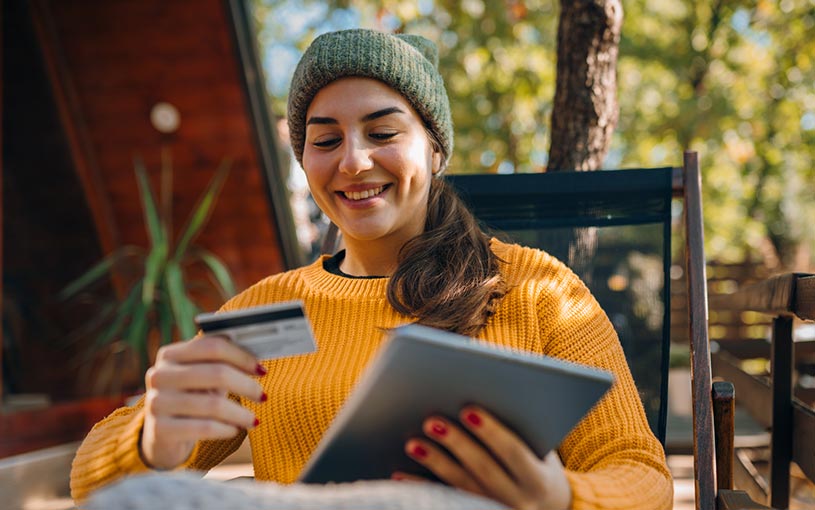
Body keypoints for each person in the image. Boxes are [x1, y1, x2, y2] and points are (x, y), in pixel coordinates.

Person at [70, 29, 673, 509]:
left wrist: (558, 497)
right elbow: (94, 486)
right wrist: (152, 439)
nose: (354, 163)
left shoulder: (537, 289)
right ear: (303, 161)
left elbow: (641, 475)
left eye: (383, 132)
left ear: (435, 149)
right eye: (324, 140)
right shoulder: (265, 312)